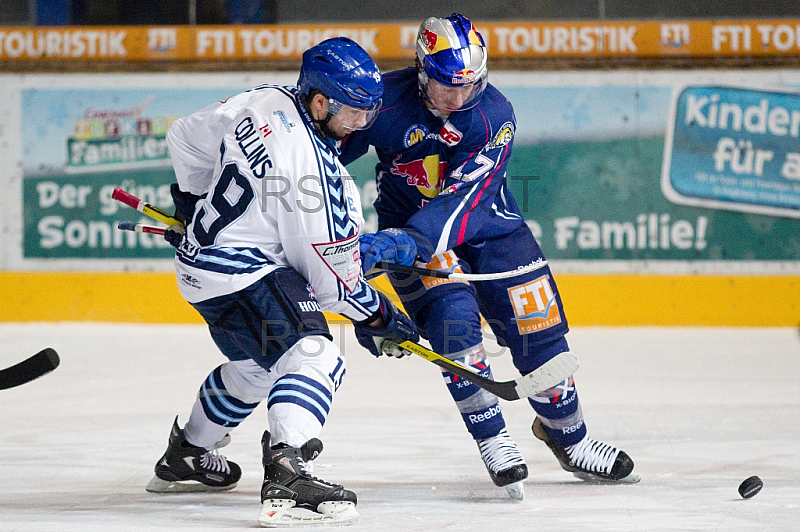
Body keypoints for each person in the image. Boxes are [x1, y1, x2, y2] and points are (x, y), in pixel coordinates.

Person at [339, 14, 639, 500]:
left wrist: (408, 241)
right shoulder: (383, 100)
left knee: (541, 337)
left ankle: (570, 437)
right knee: (454, 324)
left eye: (469, 85)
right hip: (408, 233)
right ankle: (493, 437)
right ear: (420, 70)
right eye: (444, 87)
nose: (457, 99)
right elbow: (321, 146)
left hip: (489, 229)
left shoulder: (494, 115)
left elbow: (468, 199)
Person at [147, 37, 418, 527]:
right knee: (315, 354)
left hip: (200, 267)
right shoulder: (316, 177)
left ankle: (187, 452)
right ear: (319, 101)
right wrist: (378, 314)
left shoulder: (263, 100)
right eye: (354, 112)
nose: (362, 124)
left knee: (261, 364)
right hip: (240, 274)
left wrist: (190, 204)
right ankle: (288, 471)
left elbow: (185, 136)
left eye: (370, 112)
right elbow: (333, 284)